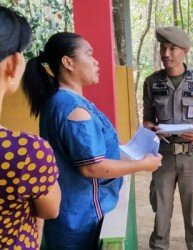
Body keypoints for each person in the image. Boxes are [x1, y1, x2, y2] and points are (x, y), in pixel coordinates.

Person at [22, 32, 162, 250]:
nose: (96, 61)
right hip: (81, 220)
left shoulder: (60, 101)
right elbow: (92, 168)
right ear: (68, 62)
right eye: (88, 55)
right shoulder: (74, 109)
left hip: (70, 215)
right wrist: (143, 164)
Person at [143, 26, 193, 250]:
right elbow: (147, 120)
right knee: (161, 217)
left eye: (172, 48)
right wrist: (152, 128)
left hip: (192, 155)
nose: (166, 54)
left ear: (184, 51)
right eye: (163, 48)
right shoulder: (152, 82)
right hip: (163, 155)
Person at [0, 6, 61, 250]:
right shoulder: (26, 152)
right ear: (13, 64)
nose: (96, 61)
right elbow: (49, 209)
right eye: (89, 54)